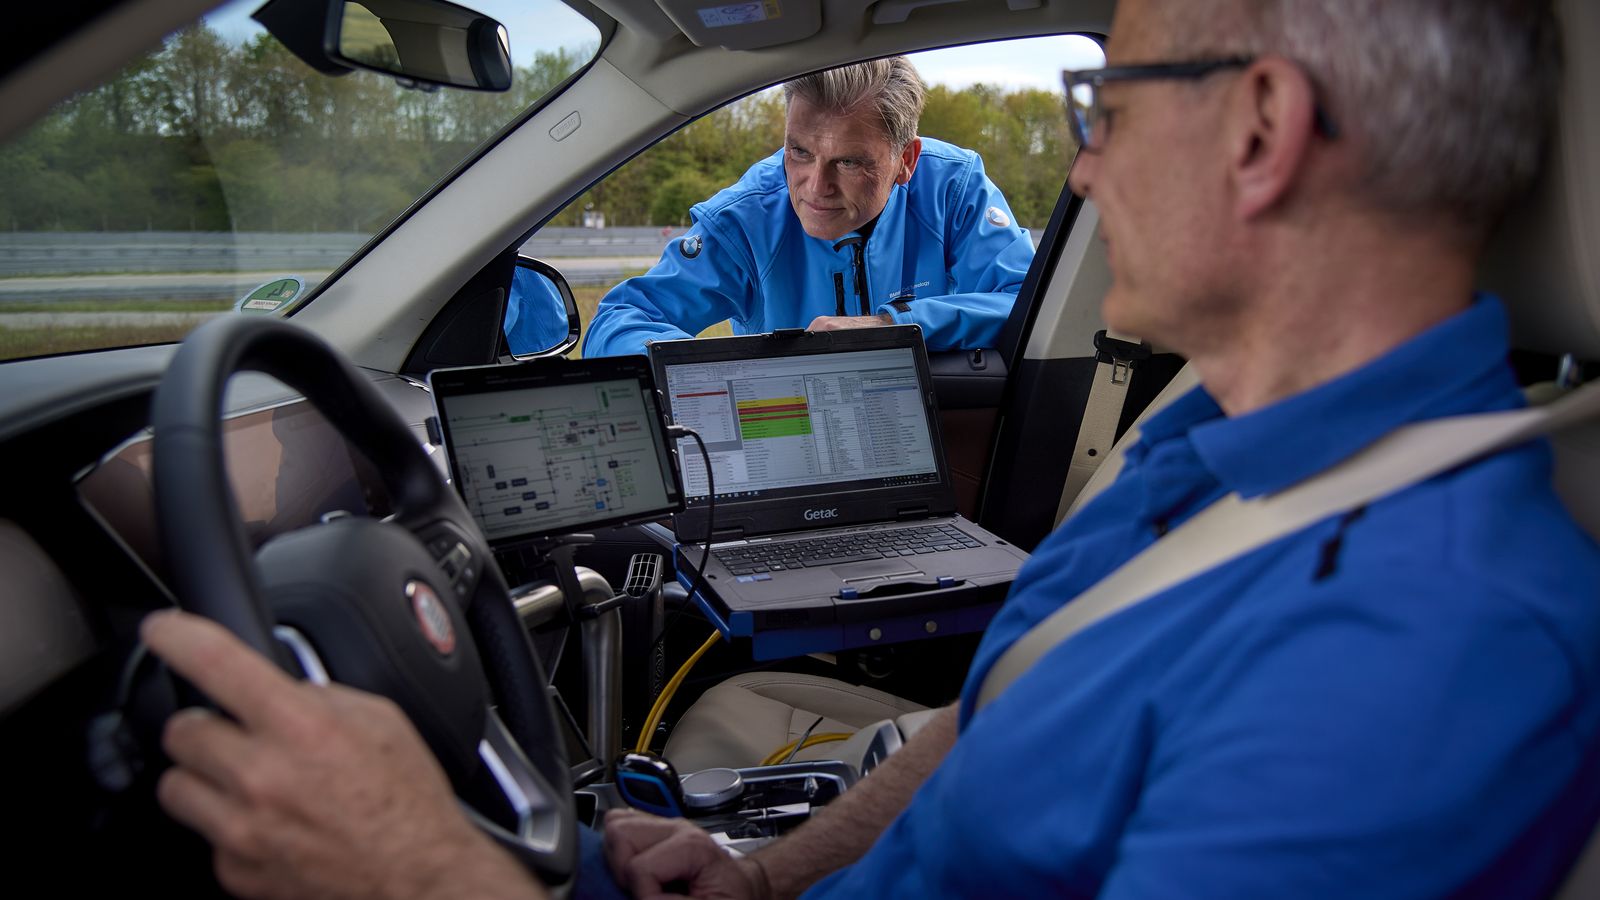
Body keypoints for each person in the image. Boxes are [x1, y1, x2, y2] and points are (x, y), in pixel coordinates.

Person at [144, 0, 1600, 897]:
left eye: (1108, 104)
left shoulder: (1437, 641)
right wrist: (763, 875)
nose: (1082, 167)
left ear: (1263, 129)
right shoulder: (1210, 433)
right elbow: (1008, 712)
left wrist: (422, 878)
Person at [579, 57, 1036, 358]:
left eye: (849, 162)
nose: (816, 187)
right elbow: (619, 320)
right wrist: (714, 375)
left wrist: (892, 326)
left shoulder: (953, 188)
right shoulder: (746, 219)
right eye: (798, 152)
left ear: (906, 161)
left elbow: (1026, 305)